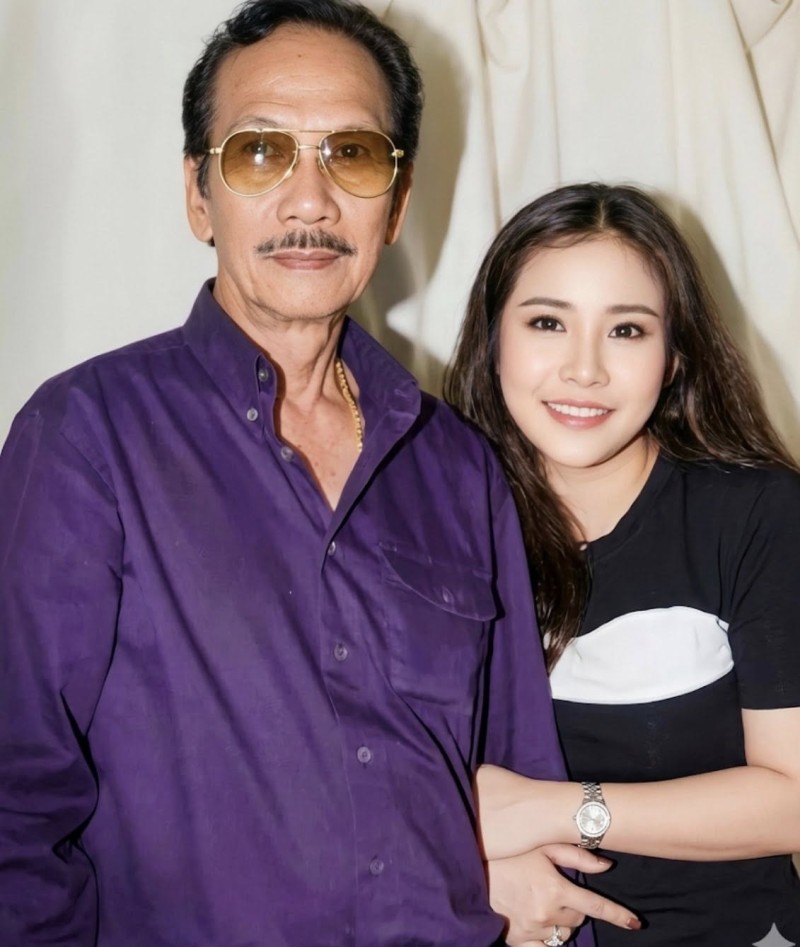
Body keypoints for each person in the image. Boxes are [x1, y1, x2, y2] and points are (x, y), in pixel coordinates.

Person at [0, 4, 641, 945]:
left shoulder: (457, 464)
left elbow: (520, 769)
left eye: (353, 154)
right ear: (197, 195)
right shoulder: (88, 434)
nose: (310, 201)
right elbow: (15, 799)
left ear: (398, 202)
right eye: (261, 152)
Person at [446, 182, 800, 945]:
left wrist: (553, 809)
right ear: (493, 338)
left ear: (675, 358)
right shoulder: (431, 523)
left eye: (627, 330)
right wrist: (474, 863)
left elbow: (793, 799)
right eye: (548, 322)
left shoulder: (755, 514)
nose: (585, 370)